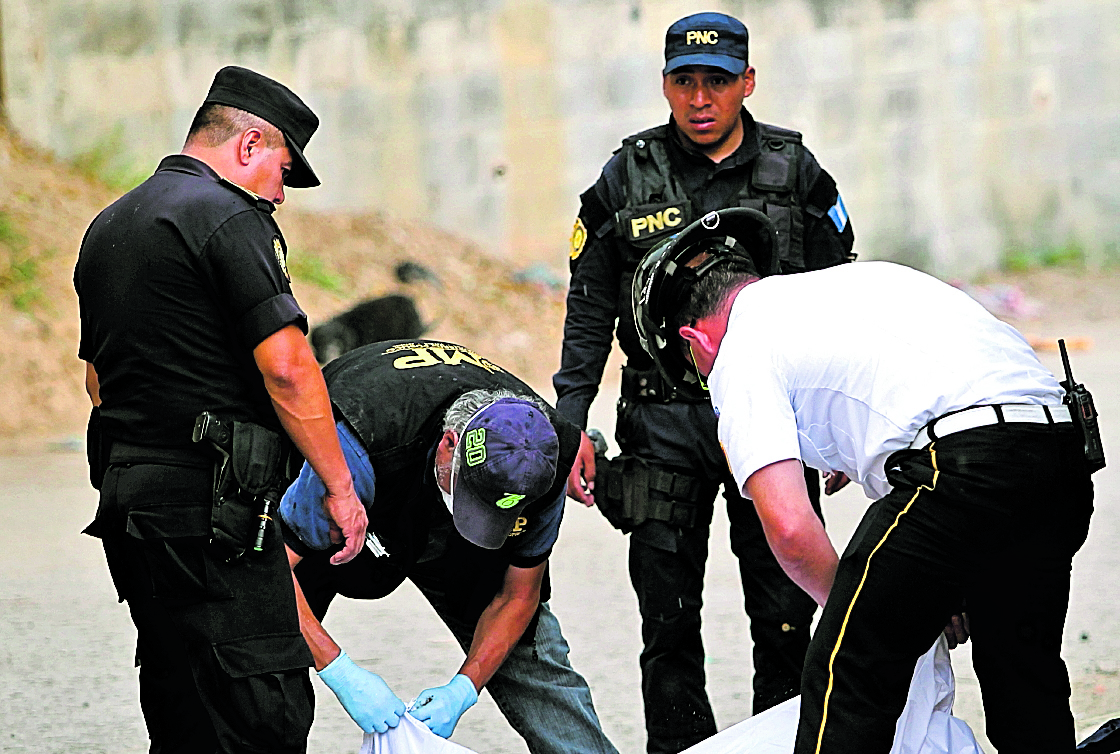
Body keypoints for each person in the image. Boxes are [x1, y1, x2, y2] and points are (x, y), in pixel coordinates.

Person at [634, 207, 1098, 754]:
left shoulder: (739, 347)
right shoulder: (857, 286)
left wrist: (861, 612)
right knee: (1023, 671)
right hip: (1060, 453)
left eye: (692, 362)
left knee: (846, 667)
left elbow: (787, 528)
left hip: (965, 466)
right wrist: (917, 593)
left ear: (694, 338)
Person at [554, 11, 855, 752]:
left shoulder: (796, 172)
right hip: (662, 422)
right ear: (664, 85)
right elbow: (590, 302)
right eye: (684, 82)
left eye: (716, 81)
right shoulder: (626, 177)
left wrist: (839, 428)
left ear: (747, 83)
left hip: (773, 421)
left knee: (786, 611)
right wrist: (570, 421)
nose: (699, 98)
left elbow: (839, 296)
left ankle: (781, 743)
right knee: (667, 622)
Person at [75, 66, 369, 753]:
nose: (280, 194)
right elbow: (289, 370)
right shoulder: (229, 217)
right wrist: (340, 487)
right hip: (218, 515)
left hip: (134, 512)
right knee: (259, 712)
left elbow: (96, 379)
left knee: (182, 710)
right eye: (281, 169)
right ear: (248, 145)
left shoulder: (109, 223)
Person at [280, 339, 619, 754]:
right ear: (450, 445)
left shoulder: (543, 458)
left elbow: (518, 595)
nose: (472, 520)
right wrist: (338, 668)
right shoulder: (354, 447)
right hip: (358, 495)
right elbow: (266, 573)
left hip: (431, 501)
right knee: (267, 666)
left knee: (534, 657)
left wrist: (466, 686)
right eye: (470, 501)